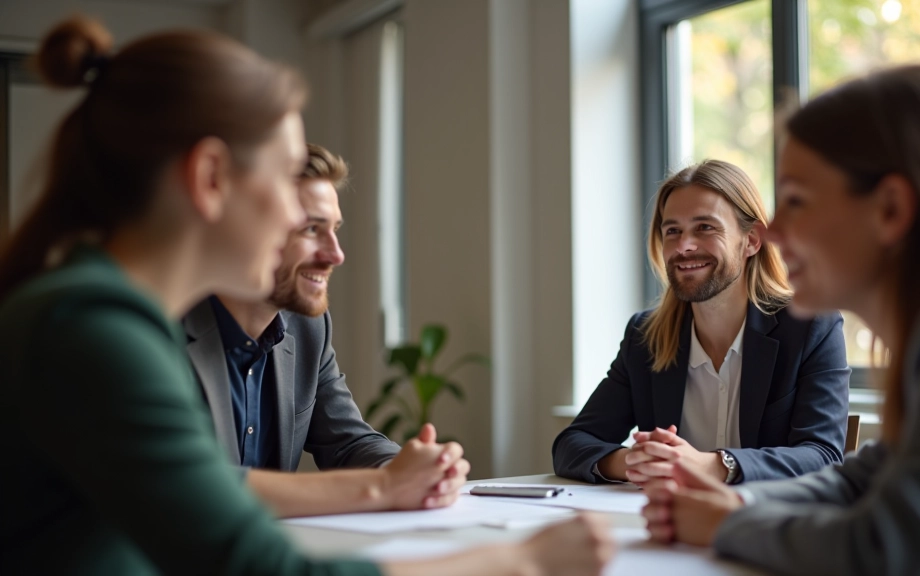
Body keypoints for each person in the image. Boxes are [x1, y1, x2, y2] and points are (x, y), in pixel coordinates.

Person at [0, 16, 613, 576]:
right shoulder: (92, 329)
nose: (309, 230)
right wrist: (521, 560)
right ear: (211, 178)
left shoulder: (99, 315)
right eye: (285, 179)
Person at [643, 64, 920, 576]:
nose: (773, 233)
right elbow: (860, 479)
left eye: (797, 201)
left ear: (890, 209)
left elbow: (888, 549)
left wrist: (722, 526)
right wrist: (737, 506)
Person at [184, 143, 467, 517]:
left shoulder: (307, 328)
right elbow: (192, 488)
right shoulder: (163, 328)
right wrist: (383, 486)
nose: (335, 254)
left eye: (334, 228)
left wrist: (410, 470)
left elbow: (348, 442)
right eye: (311, 229)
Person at [552, 159, 850, 486]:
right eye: (672, 231)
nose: (683, 247)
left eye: (705, 227)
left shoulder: (810, 326)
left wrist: (713, 466)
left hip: (766, 526)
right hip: (664, 524)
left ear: (751, 241)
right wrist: (634, 461)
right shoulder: (645, 337)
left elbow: (822, 455)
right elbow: (572, 443)